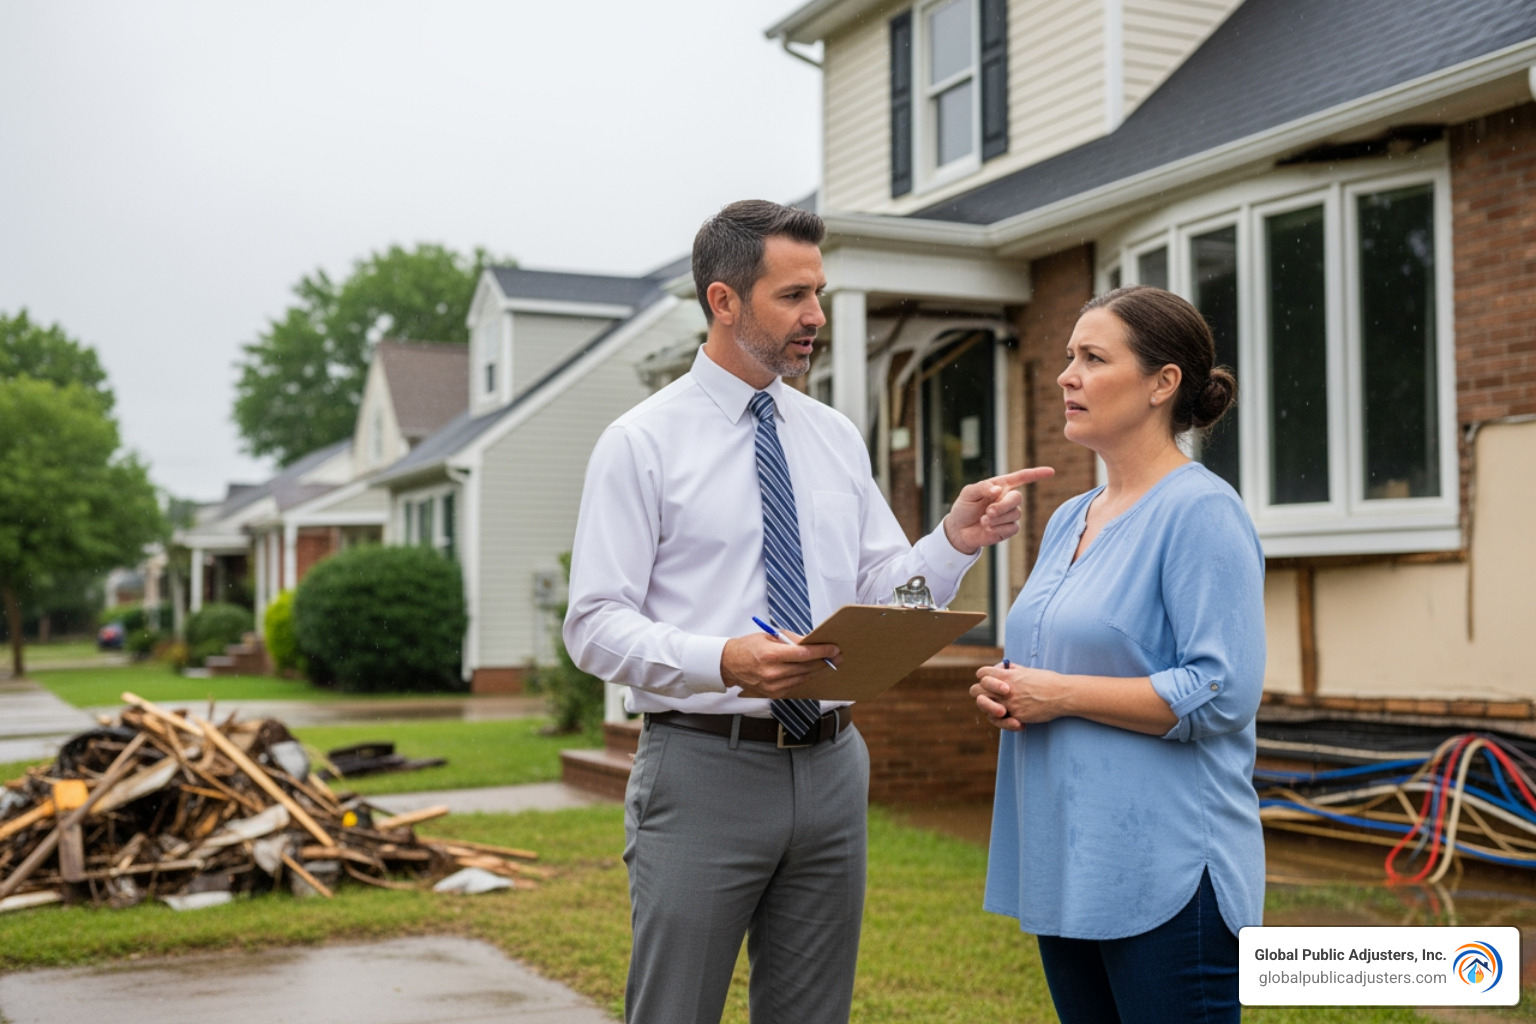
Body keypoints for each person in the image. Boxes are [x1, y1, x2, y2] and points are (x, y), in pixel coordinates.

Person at [564, 199, 1052, 1024]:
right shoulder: (640, 443)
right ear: (724, 301)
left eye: (819, 294)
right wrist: (724, 659)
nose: (816, 317)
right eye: (793, 296)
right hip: (702, 768)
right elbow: (593, 622)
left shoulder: (832, 436)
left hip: (832, 769)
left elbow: (886, 594)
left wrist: (953, 539)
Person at [970, 285, 1266, 1024]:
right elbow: (1052, 658)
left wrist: (1059, 694)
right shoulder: (1071, 515)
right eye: (1069, 356)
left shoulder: (1202, 512)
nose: (1067, 374)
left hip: (1167, 875)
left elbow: (1223, 691)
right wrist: (1008, 689)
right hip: (1069, 864)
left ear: (1163, 383)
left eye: (1092, 358)